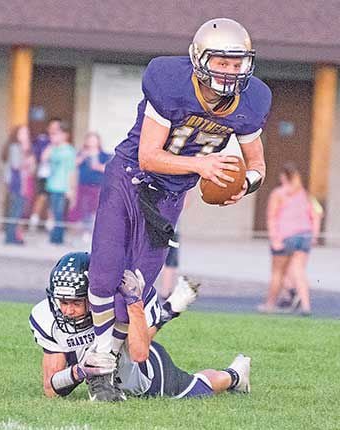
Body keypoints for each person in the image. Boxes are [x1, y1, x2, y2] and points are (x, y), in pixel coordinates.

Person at [87, 17, 271, 399]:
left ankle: (111, 358)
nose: (230, 71)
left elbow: (257, 165)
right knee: (104, 272)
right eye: (221, 61)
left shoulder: (251, 102)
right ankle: (101, 363)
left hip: (169, 197)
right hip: (130, 177)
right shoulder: (170, 82)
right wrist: (201, 165)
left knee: (136, 286)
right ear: (200, 58)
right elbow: (149, 156)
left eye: (237, 63)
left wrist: (245, 185)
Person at [29, 252, 251, 400]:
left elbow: (138, 352)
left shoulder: (114, 304)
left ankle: (235, 375)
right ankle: (169, 309)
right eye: (63, 302)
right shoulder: (46, 317)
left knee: (197, 389)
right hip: (104, 362)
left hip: (143, 371)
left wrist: (137, 305)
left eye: (76, 302)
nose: (67, 310)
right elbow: (51, 389)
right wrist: (80, 370)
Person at [258, 162, 323, 316]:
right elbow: (316, 215)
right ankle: (306, 305)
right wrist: (314, 234)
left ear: (283, 176)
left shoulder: (278, 194)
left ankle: (270, 304)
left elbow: (272, 217)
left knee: (278, 272)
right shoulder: (304, 194)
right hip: (305, 235)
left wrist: (275, 239)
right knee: (298, 271)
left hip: (286, 235)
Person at [69, 132, 112, 242]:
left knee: (95, 209)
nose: (91, 142)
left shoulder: (104, 155)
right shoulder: (82, 154)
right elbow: (74, 164)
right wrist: (83, 155)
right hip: (83, 185)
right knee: (83, 209)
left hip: (97, 186)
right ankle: (84, 232)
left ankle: (93, 232)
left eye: (94, 140)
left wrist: (97, 166)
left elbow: (109, 169)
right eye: (90, 140)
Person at [42, 121, 77, 244]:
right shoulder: (53, 149)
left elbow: (71, 170)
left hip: (63, 186)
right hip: (52, 185)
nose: (53, 137)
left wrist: (71, 189)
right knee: (52, 212)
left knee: (59, 213)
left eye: (56, 134)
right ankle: (53, 237)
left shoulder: (69, 150)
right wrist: (51, 146)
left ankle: (58, 238)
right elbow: (44, 159)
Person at [2, 125, 36, 244]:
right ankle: (10, 237)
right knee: (15, 210)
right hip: (16, 182)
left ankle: (15, 235)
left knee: (19, 210)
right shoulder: (15, 147)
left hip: (24, 182)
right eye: (22, 133)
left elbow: (32, 169)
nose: (25, 136)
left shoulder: (25, 148)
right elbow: (16, 165)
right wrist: (26, 157)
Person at [29, 118, 62, 229]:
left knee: (52, 200)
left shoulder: (63, 143)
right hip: (44, 173)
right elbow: (40, 156)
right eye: (52, 127)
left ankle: (50, 224)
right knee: (42, 196)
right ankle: (34, 219)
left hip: (56, 176)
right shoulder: (42, 140)